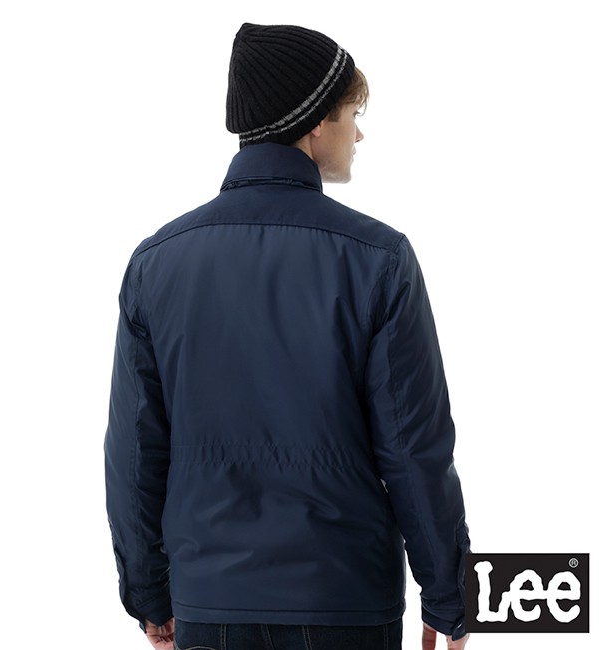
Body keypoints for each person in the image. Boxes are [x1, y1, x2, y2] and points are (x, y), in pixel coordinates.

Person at [104, 22, 471, 650]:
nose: (359, 134)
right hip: (346, 604)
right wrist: (449, 597)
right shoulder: (378, 258)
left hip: (209, 604)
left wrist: (149, 596)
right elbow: (415, 451)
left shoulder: (156, 263)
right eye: (353, 114)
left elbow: (135, 453)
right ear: (315, 122)